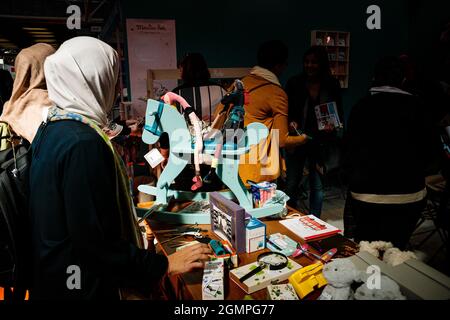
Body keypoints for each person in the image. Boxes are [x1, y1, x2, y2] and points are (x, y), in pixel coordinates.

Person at [6, 38, 211, 300]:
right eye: (111, 81)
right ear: (93, 81)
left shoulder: (53, 128)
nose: (114, 91)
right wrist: (165, 264)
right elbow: (95, 244)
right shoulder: (83, 144)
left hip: (55, 278)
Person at [346, 56, 429, 250]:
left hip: (366, 195)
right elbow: (430, 152)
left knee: (366, 248)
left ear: (374, 78)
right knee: (396, 248)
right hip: (409, 195)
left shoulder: (361, 106)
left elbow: (349, 151)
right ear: (403, 79)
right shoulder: (419, 108)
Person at [216, 40, 309, 185]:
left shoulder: (239, 83)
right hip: (257, 168)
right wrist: (303, 138)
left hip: (229, 162)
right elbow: (282, 140)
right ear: (279, 65)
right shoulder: (276, 93)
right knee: (258, 206)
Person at [285, 46, 343, 217]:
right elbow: (286, 111)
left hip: (321, 141)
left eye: (314, 62)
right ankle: (289, 217)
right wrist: (289, 123)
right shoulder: (294, 82)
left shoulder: (331, 84)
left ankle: (315, 221)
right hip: (297, 138)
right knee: (292, 182)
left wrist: (335, 126)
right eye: (307, 62)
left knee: (317, 185)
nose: (309, 65)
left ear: (322, 64)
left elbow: (338, 112)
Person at [172, 52, 226, 125]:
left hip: (185, 135)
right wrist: (217, 118)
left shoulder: (176, 93)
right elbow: (230, 115)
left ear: (185, 71)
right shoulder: (220, 90)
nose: (180, 74)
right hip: (215, 134)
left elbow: (172, 121)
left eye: (181, 70)